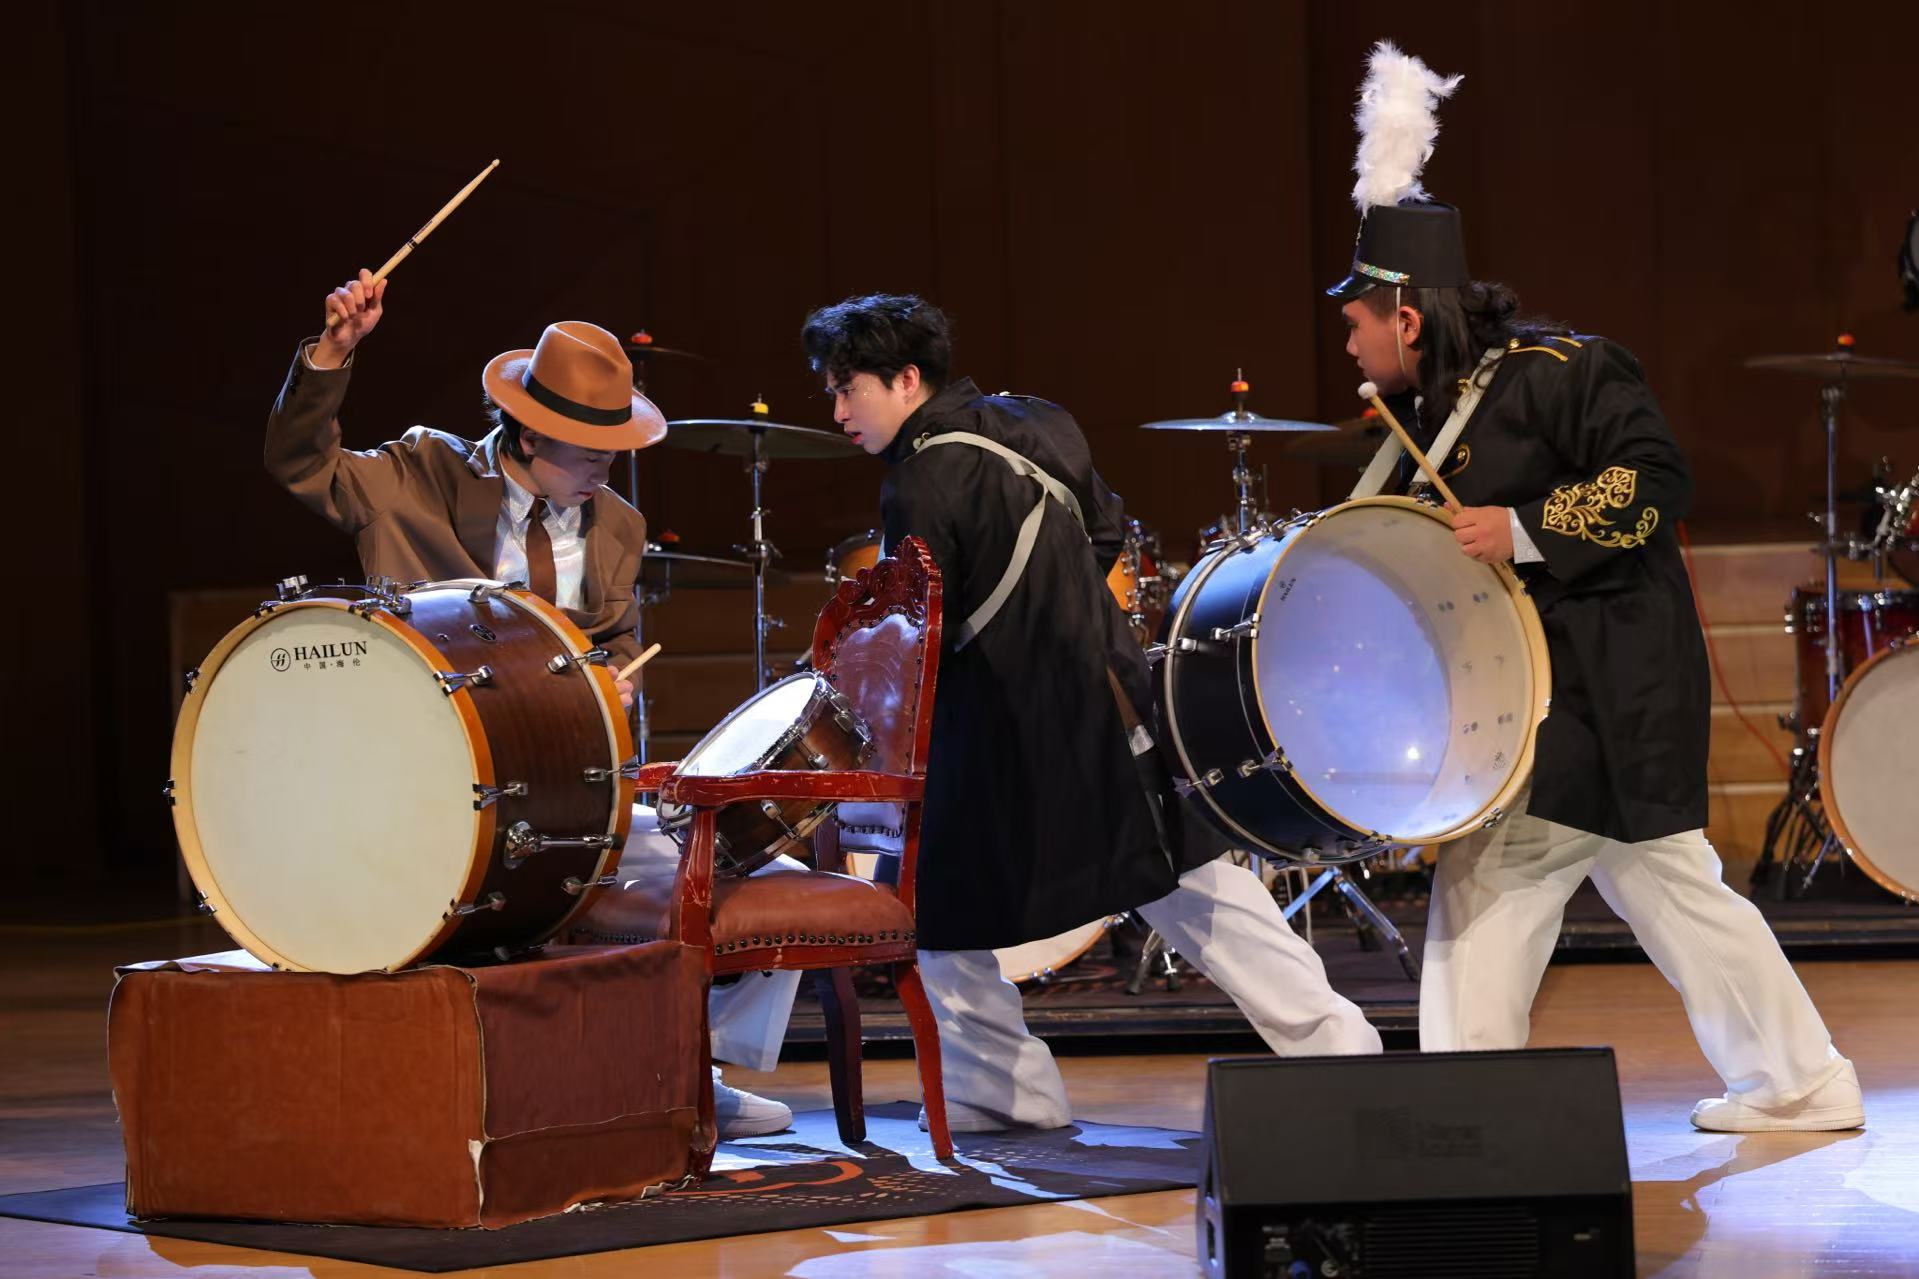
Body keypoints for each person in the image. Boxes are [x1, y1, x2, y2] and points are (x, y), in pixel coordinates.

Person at [1325, 42, 1861, 1131]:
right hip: (1540, 700)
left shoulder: (1566, 371)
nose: (1346, 343)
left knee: (1509, 881)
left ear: (1405, 319)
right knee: (1647, 886)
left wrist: (1517, 528)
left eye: (1354, 322)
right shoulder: (1436, 414)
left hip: (1611, 689)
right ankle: (1798, 1081)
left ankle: (1468, 1115)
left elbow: (1655, 482)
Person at [801, 293, 1381, 1133]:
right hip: (1109, 690)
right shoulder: (1038, 422)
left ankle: (1005, 1091)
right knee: (1187, 878)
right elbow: (1103, 533)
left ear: (905, 379)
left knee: (938, 898)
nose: (837, 411)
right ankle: (1340, 1050)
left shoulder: (918, 481)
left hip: (1006, 722)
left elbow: (920, 630)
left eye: (846, 388)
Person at [265, 268, 797, 1137]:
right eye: (588, 450)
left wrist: (615, 683)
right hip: (437, 786)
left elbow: (616, 646)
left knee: (765, 869)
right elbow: (301, 461)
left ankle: (689, 1064)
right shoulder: (422, 474)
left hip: (567, 791)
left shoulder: (617, 526)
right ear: (527, 431)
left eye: (613, 450)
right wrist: (331, 354)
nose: (605, 467)